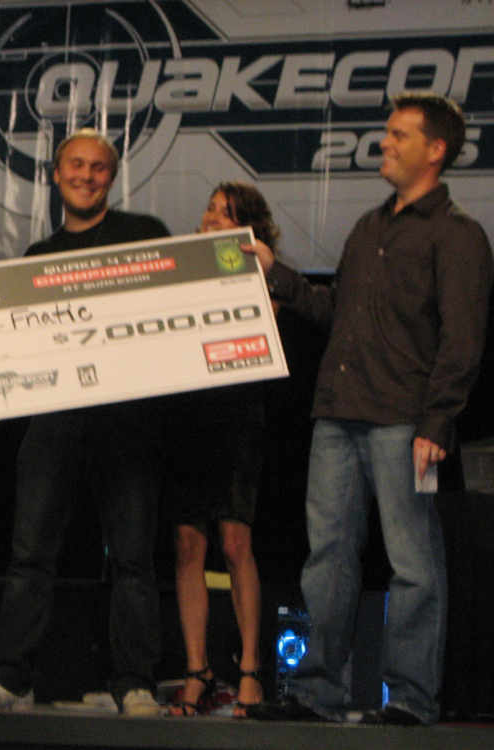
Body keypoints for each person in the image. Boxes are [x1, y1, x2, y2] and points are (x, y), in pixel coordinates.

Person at [245, 92, 492, 725]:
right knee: (326, 556)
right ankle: (317, 691)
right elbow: (337, 313)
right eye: (387, 132)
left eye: (399, 134)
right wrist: (278, 275)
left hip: (406, 422)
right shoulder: (369, 228)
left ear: (435, 151)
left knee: (413, 563)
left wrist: (438, 421)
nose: (385, 142)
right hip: (338, 414)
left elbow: (462, 340)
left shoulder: (457, 235)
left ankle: (411, 697)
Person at [0, 129, 170, 717]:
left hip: (128, 421)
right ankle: (11, 679)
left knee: (133, 559)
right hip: (55, 421)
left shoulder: (144, 235)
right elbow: (12, 350)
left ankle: (135, 684)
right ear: (56, 174)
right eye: (76, 164)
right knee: (30, 554)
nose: (86, 175)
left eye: (98, 167)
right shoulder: (37, 258)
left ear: (112, 177)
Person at [166, 183, 279, 718]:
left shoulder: (261, 274)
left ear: (247, 226)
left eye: (227, 214)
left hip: (236, 415)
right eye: (210, 209)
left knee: (236, 544)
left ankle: (250, 669)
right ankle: (198, 672)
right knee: (188, 545)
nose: (213, 218)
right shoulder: (180, 268)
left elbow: (270, 336)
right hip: (189, 414)